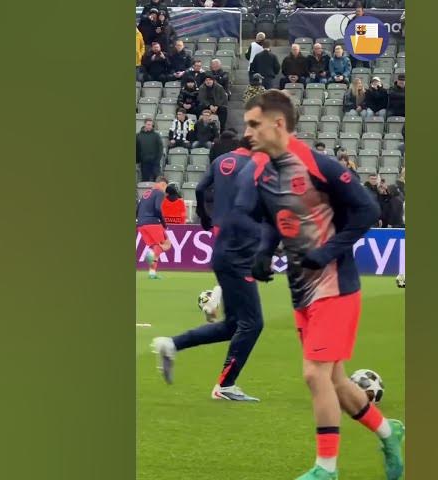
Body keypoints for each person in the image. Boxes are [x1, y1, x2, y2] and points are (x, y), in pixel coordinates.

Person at [235, 90, 404, 480]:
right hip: (301, 290)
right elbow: (273, 218)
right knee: (335, 380)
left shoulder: (317, 165)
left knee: (314, 374)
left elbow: (367, 209)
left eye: (254, 124)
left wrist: (328, 251)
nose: (248, 132)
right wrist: (264, 251)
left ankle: (326, 469)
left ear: (278, 124)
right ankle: (388, 432)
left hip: (335, 287)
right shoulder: (263, 172)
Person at [152, 139, 264, 401]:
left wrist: (205, 216)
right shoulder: (256, 165)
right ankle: (225, 386)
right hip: (239, 249)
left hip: (223, 244)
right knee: (252, 323)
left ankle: (172, 344)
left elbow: (201, 188)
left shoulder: (220, 161)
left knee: (233, 325)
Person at [136, 176, 172, 279]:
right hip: (153, 223)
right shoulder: (160, 193)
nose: (165, 190)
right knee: (166, 244)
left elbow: (137, 208)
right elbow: (157, 208)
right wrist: (164, 223)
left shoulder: (146, 193)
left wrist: (138, 221)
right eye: (165, 187)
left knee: (157, 246)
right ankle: (150, 254)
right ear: (163, 184)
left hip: (141, 224)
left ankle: (152, 273)